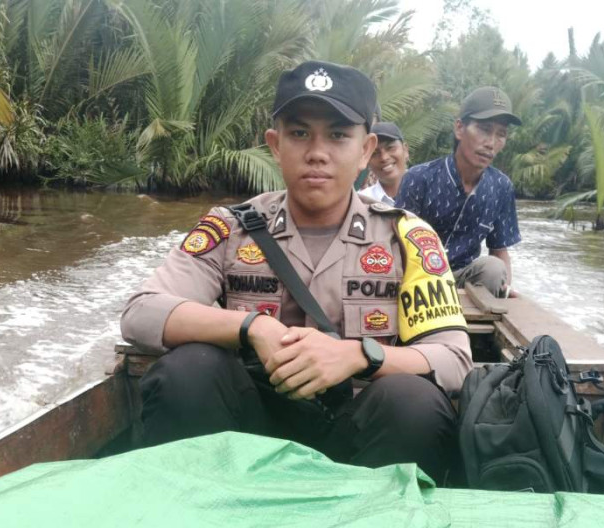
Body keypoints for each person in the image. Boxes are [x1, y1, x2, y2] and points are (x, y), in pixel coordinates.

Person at [121, 61, 473, 486]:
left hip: (359, 436)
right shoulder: (230, 228)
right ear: (275, 144)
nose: (317, 152)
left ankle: (375, 522)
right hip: (249, 432)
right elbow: (142, 312)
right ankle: (200, 512)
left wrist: (360, 356)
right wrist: (252, 328)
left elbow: (454, 360)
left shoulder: (408, 237)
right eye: (300, 133)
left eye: (338, 135)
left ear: (366, 150)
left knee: (414, 400)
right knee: (188, 370)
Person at [395, 86, 522, 298]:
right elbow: (395, 243)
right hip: (416, 278)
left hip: (464, 280)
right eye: (484, 129)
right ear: (460, 129)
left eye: (501, 134)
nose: (491, 143)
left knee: (493, 268)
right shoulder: (419, 178)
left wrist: (505, 289)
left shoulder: (501, 186)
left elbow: (499, 249)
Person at [359, 122, 409, 205]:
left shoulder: (427, 192)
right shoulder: (361, 202)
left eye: (390, 148)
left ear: (405, 150)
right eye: (375, 153)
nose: (384, 158)